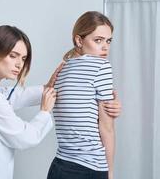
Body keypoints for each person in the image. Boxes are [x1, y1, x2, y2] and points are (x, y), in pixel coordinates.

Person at [0, 25, 63, 179]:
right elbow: (26, 137)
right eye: (13, 56)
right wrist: (45, 111)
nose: (19, 64)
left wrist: (46, 88)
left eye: (23, 58)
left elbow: (12, 96)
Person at [47, 11, 121, 179]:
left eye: (108, 41)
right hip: (90, 166)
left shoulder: (61, 69)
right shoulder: (102, 67)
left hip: (59, 166)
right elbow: (107, 128)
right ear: (79, 40)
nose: (105, 47)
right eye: (98, 40)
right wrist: (110, 172)